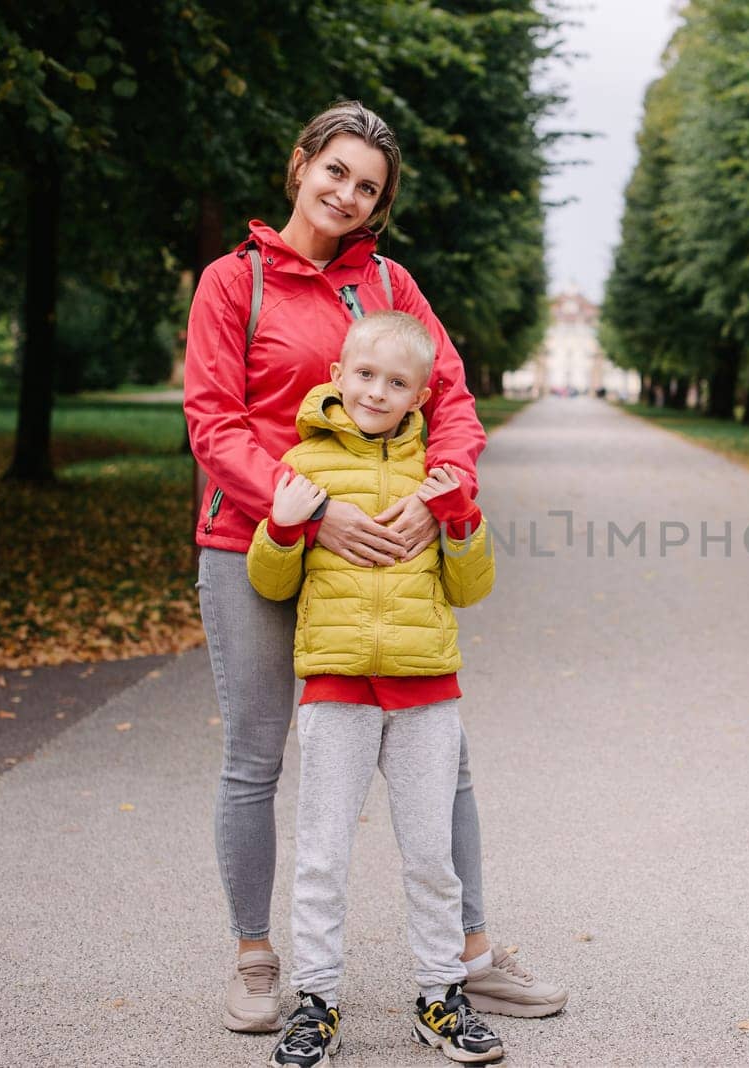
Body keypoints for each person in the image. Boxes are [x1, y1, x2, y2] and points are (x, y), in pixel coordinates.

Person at [183, 100, 566, 1036]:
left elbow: (454, 398)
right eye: (336, 171)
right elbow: (213, 423)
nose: (348, 195)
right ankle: (257, 960)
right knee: (255, 756)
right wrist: (312, 513)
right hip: (259, 542)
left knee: (447, 760)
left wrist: (441, 498)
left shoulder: (391, 284)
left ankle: (470, 959)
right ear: (301, 164)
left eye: (369, 187)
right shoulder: (235, 283)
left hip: (385, 554)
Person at [248, 311, 503, 1066]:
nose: (377, 391)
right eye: (364, 375)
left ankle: (439, 995)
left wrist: (460, 522)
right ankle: (316, 1002)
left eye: (397, 383)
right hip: (337, 687)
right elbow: (270, 579)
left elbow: (472, 586)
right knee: (323, 853)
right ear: (337, 376)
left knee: (430, 853)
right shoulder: (303, 464)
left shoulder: (440, 473)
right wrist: (285, 529)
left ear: (421, 395)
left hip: (426, 690)